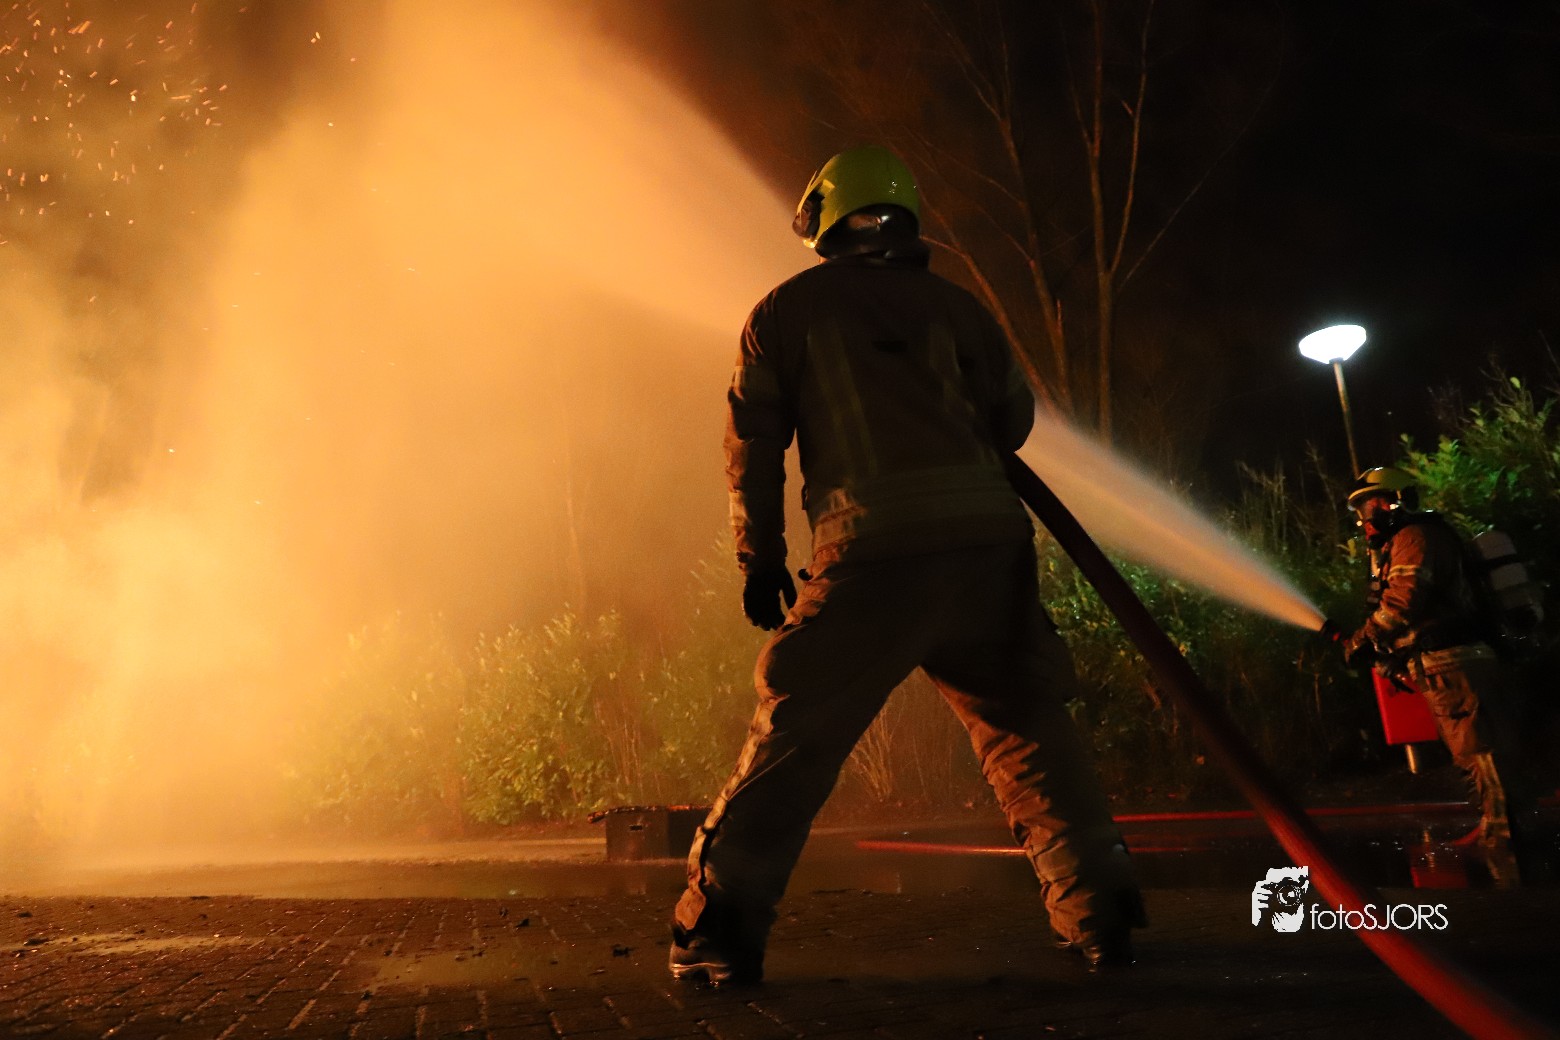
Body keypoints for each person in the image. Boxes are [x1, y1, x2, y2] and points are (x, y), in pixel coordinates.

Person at [668, 145, 1144, 986]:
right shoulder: (958, 309)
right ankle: (1100, 920)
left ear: (823, 218)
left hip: (871, 556)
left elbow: (754, 445)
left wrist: (761, 558)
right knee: (1030, 733)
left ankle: (716, 935)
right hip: (989, 552)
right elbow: (1013, 420)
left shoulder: (785, 312)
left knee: (795, 738)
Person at [1333, 467, 1530, 875]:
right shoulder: (1407, 540)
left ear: (1399, 500)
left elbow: (1402, 603)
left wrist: (1363, 640)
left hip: (1453, 660)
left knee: (1480, 750)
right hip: (1443, 662)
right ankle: (1494, 828)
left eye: (1373, 504)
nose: (1368, 517)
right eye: (1363, 509)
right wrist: (1386, 653)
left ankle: (1503, 838)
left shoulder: (1414, 537)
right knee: (1470, 751)